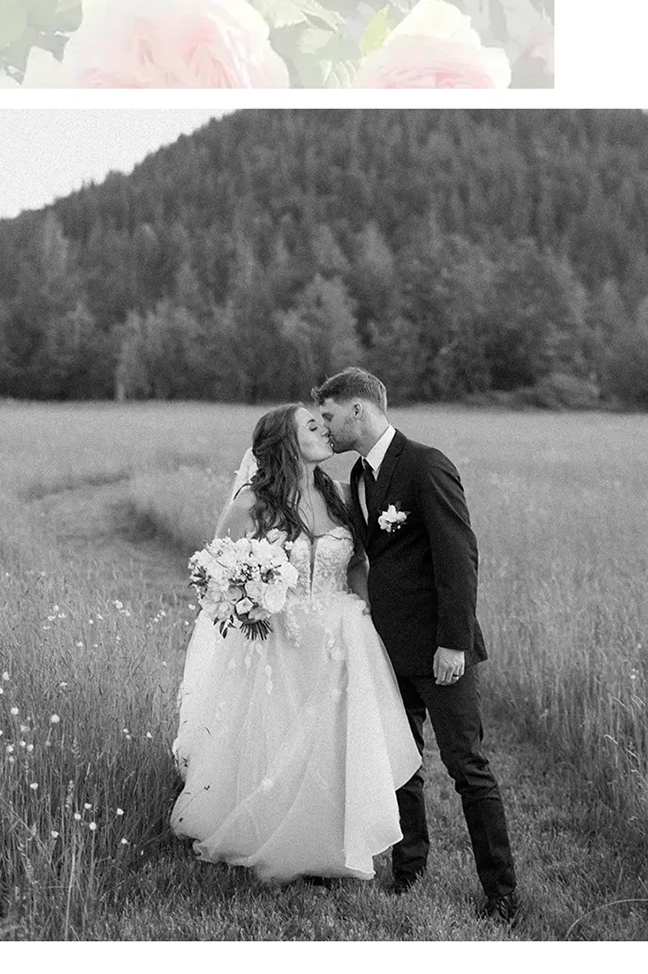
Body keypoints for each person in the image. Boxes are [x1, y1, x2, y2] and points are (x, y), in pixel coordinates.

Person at [170, 403, 421, 883]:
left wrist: (372, 618)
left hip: (341, 637)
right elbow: (215, 576)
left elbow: (355, 564)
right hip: (279, 640)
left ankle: (328, 843)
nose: (324, 429)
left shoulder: (341, 495)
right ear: (287, 442)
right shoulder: (252, 504)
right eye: (312, 425)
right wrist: (249, 598)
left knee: (332, 743)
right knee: (277, 738)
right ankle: (268, 833)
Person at [313, 367, 518, 923]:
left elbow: (459, 557)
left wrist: (453, 643)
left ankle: (501, 892)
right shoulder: (358, 475)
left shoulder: (425, 465)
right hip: (388, 648)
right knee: (402, 765)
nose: (325, 427)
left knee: (467, 767)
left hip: (439, 650)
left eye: (329, 415)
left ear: (358, 409)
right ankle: (409, 870)